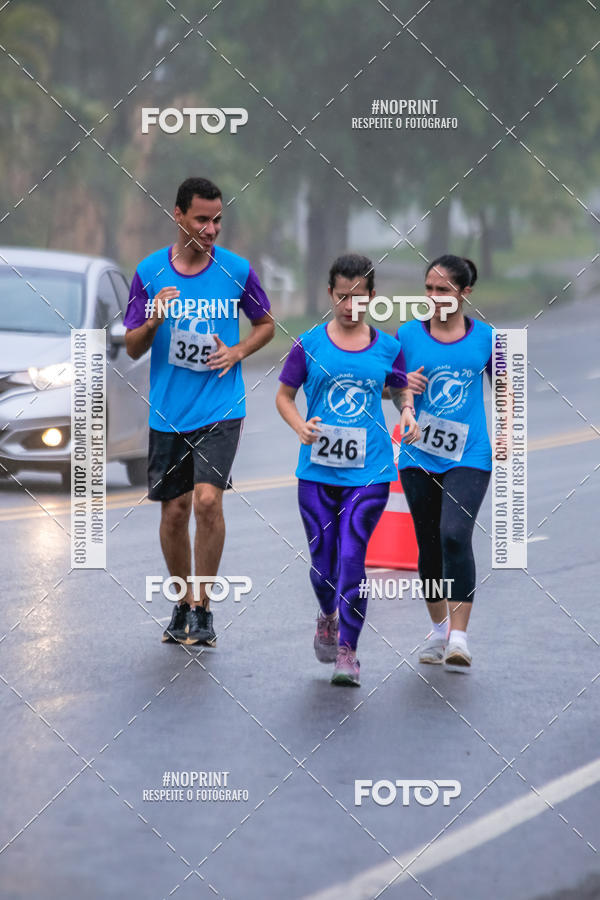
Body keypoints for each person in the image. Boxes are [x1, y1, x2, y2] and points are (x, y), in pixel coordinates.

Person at [124, 177, 274, 646]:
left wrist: (238, 351)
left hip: (220, 405)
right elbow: (132, 347)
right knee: (174, 512)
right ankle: (183, 602)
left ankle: (204, 609)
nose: (211, 229)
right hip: (168, 411)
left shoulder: (236, 269)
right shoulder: (149, 272)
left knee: (207, 501)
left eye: (218, 220)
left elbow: (266, 324)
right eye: (202, 219)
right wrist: (154, 320)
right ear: (178, 215)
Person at [276, 254, 419, 686]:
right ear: (330, 294)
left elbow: (399, 390)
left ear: (372, 296)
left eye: (359, 297)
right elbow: (284, 396)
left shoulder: (389, 348)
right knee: (323, 566)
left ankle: (348, 652)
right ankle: (327, 615)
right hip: (317, 472)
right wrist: (299, 425)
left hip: (369, 472)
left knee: (353, 558)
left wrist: (408, 411)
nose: (350, 306)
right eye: (342, 297)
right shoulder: (309, 344)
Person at [395, 254, 494, 672]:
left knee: (454, 535)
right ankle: (438, 631)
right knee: (430, 543)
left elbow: (507, 389)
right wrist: (404, 393)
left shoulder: (488, 338)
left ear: (465, 293)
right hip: (418, 452)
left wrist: (508, 437)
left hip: (470, 454)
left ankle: (459, 637)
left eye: (444, 290)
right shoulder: (407, 335)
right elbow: (389, 387)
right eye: (429, 289)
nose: (434, 297)